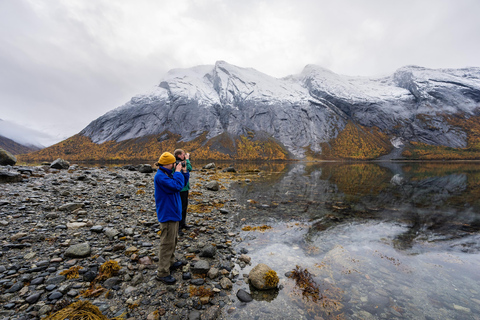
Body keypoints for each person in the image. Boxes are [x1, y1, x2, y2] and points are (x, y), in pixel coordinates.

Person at [154, 152, 189, 285]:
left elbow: (182, 184)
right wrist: (178, 172)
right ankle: (162, 272)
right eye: (174, 163)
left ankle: (171, 262)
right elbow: (177, 186)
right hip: (167, 214)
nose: (176, 165)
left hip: (173, 213)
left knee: (173, 240)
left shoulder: (167, 174)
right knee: (166, 243)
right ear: (169, 164)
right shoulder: (161, 177)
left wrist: (184, 172)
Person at [174, 149, 192, 235]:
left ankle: (183, 223)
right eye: (183, 154)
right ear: (179, 155)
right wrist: (187, 159)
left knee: (184, 207)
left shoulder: (181, 162)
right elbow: (189, 168)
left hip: (184, 189)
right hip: (181, 189)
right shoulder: (177, 163)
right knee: (180, 208)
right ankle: (178, 228)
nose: (184, 155)